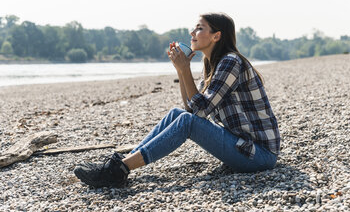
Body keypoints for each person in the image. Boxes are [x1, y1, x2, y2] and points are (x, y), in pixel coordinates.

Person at [73, 13, 280, 188]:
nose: (192, 32)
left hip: (258, 154)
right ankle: (119, 165)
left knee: (186, 121)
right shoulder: (213, 65)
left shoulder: (230, 62)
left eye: (199, 28)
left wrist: (185, 69)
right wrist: (181, 72)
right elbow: (190, 109)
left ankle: (119, 170)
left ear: (216, 36)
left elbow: (199, 113)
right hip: (241, 145)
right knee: (176, 114)